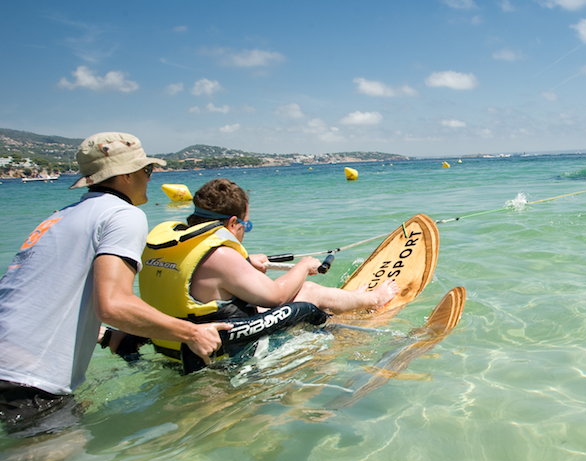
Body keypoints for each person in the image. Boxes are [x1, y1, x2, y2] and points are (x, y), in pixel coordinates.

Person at [0, 132, 227, 436]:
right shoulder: (122, 214)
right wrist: (191, 333)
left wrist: (106, 335)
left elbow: (38, 298)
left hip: (11, 366)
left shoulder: (61, 217)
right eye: (147, 170)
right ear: (126, 175)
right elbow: (114, 304)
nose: (150, 177)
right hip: (27, 379)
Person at [110, 178, 399, 373]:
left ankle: (349, 306)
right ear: (233, 222)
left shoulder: (166, 240)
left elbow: (198, 278)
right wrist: (303, 266)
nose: (243, 234)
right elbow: (277, 296)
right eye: (245, 227)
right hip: (220, 351)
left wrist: (246, 262)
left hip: (174, 349)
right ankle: (374, 298)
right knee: (308, 291)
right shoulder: (221, 255)